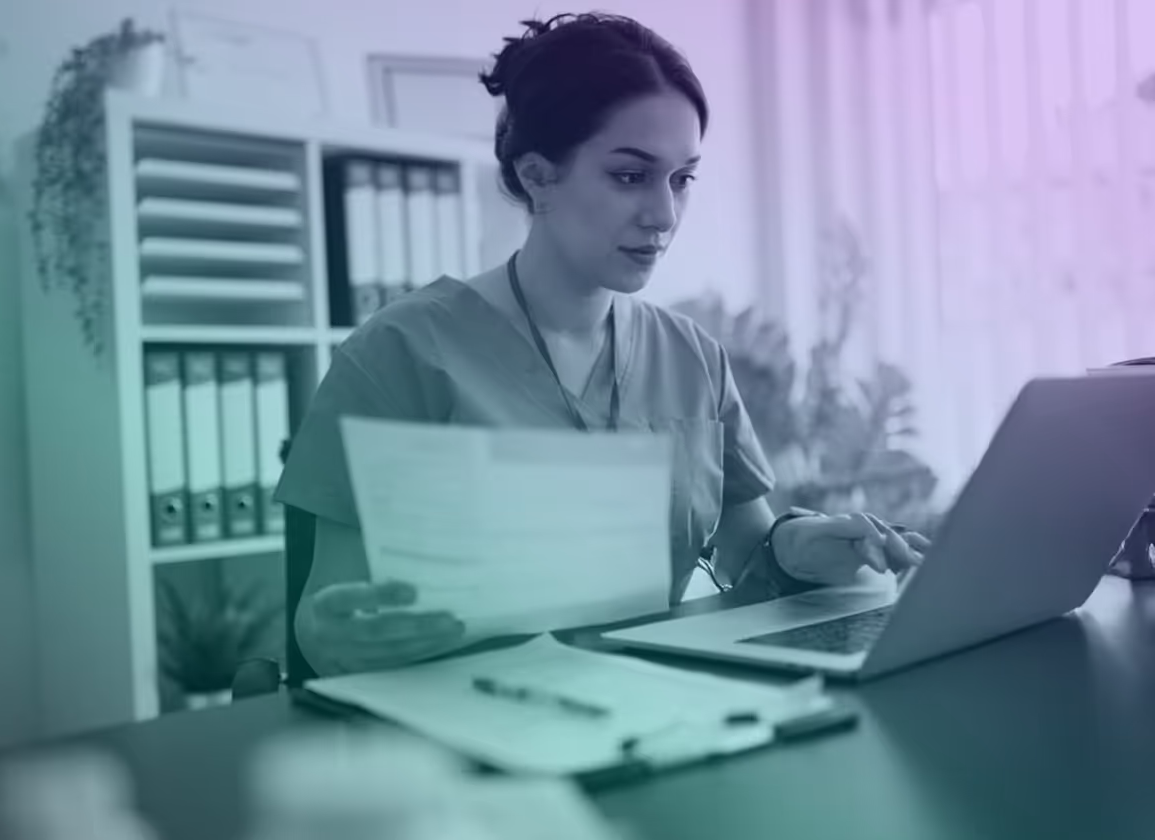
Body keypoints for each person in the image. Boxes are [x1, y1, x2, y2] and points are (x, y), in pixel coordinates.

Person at [274, 12, 930, 677]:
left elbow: (745, 547)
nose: (664, 214)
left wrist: (801, 545)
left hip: (658, 708)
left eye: (682, 179)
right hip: (467, 728)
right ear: (537, 176)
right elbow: (325, 616)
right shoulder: (400, 353)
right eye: (629, 176)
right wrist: (338, 636)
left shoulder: (691, 356)